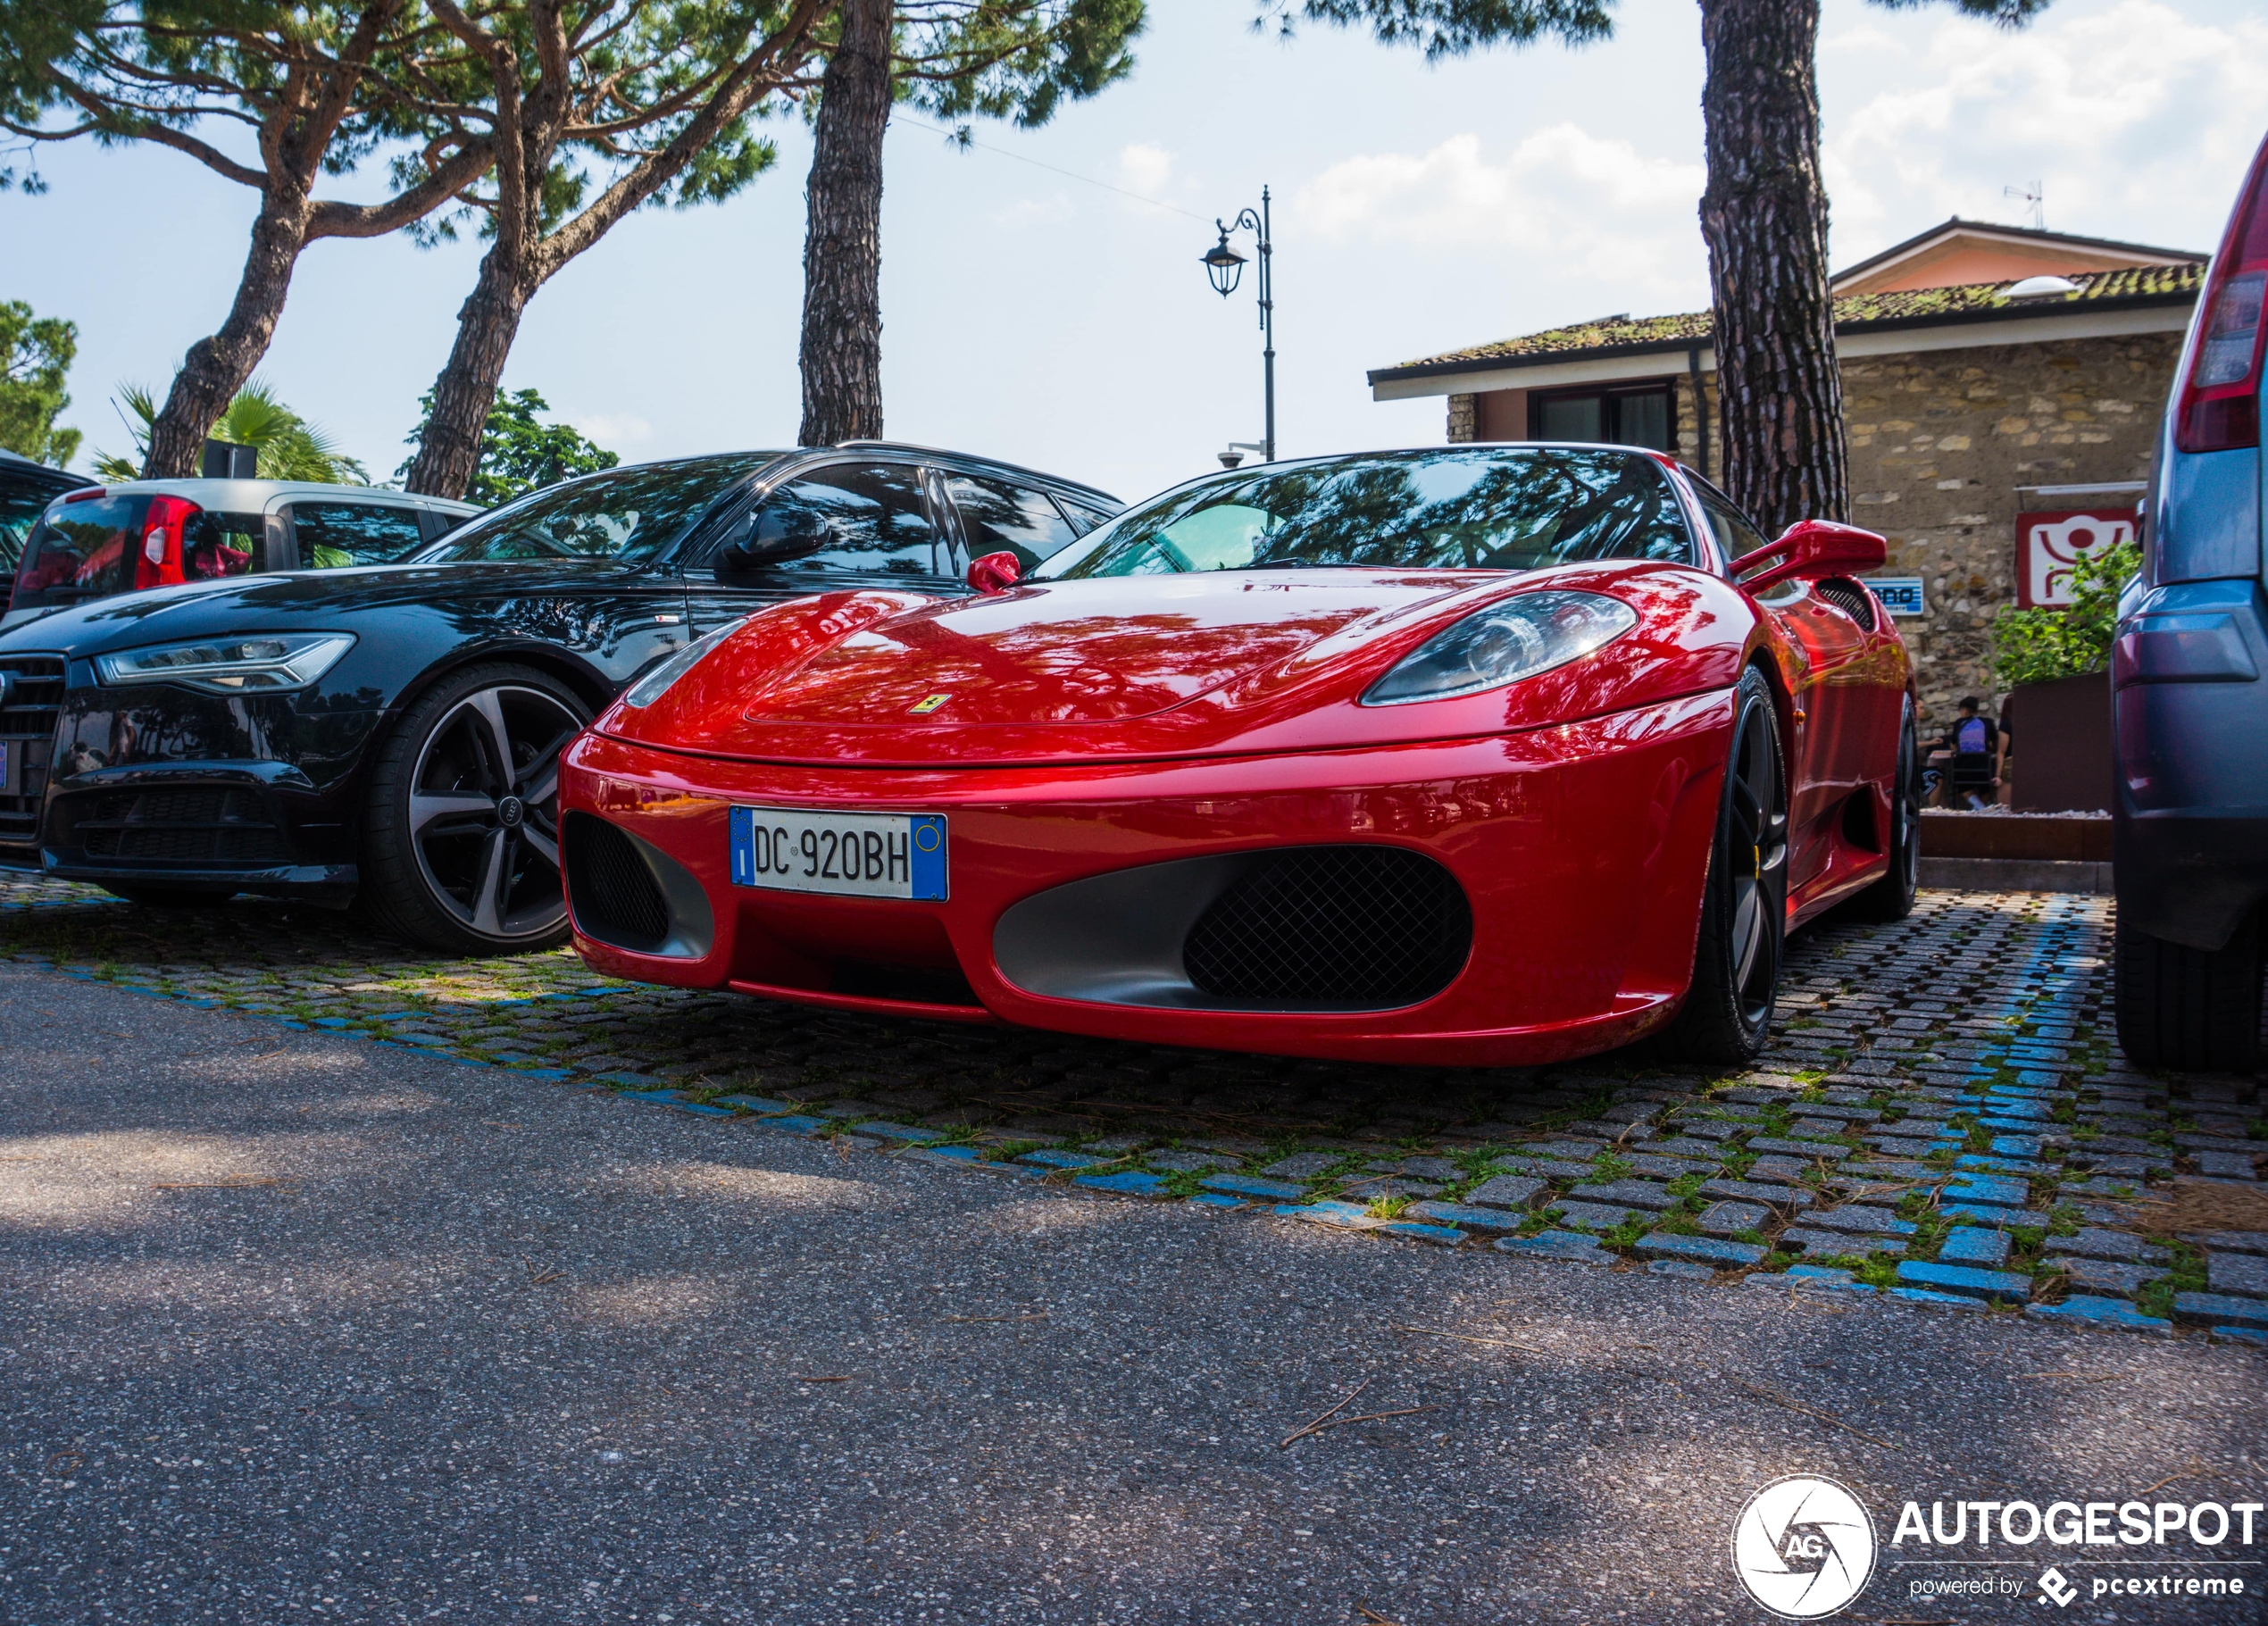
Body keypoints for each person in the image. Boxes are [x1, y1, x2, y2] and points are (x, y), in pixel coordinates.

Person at [1923, 696, 2004, 808]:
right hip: (1984, 765)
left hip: (1963, 765)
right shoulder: (1988, 722)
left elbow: (1954, 745)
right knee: (1987, 788)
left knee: (1962, 787)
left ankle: (1979, 807)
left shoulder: (1959, 723)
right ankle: (1981, 808)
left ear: (1964, 710)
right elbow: (1995, 744)